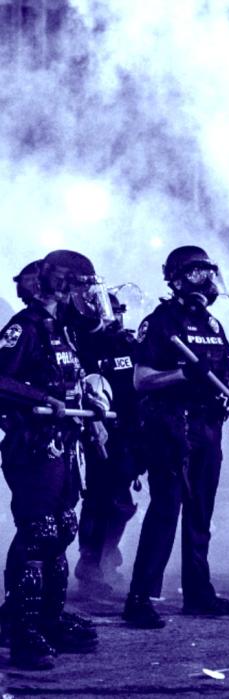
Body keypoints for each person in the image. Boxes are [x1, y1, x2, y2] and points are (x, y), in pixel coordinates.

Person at [122, 245, 229, 629]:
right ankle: (139, 599)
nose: (205, 282)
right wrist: (182, 376)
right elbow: (141, 380)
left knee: (201, 512)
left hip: (209, 427)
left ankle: (198, 592)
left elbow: (228, 372)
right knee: (165, 510)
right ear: (175, 279)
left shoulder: (213, 325)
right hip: (171, 426)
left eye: (209, 273)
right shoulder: (160, 322)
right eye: (196, 274)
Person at [0, 250, 110, 669]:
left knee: (63, 528)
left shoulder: (63, 330)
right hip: (32, 446)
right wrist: (39, 399)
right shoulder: (23, 328)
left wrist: (92, 401)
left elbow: (71, 379)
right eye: (81, 286)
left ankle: (48, 619)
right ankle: (21, 629)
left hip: (64, 444)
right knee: (39, 531)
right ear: (62, 285)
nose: (86, 296)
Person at [74, 292, 142, 594]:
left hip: (133, 430)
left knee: (121, 502)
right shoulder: (84, 343)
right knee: (103, 498)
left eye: (117, 311)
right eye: (107, 311)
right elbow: (81, 386)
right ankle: (91, 564)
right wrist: (93, 423)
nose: (113, 317)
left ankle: (106, 558)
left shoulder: (128, 343)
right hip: (101, 430)